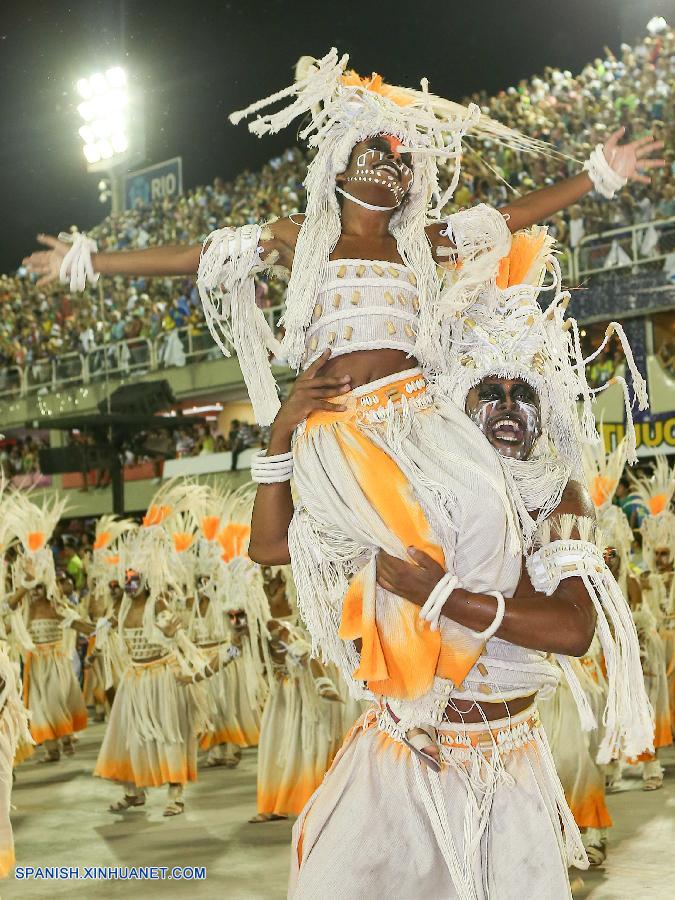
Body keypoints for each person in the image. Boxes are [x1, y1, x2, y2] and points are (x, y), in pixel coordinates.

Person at [23, 53, 661, 897]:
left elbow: (506, 217)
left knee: (475, 519)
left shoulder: (423, 244)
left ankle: (458, 678)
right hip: (336, 431)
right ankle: (415, 692)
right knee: (388, 560)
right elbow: (193, 259)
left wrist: (595, 177)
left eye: (406, 158)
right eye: (378, 149)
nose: (393, 165)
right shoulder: (297, 241)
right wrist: (84, 264)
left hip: (421, 423)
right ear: (339, 158)